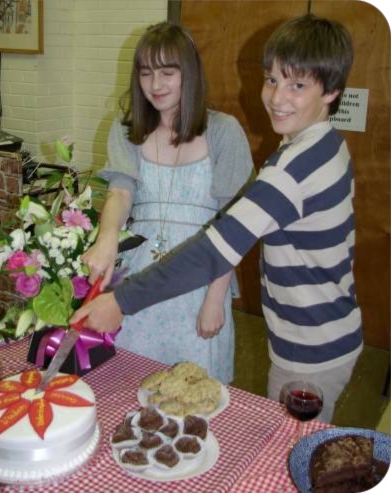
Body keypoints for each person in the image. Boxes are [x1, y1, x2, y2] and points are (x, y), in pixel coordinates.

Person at [72, 13, 362, 423]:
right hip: (314, 331)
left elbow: (214, 249)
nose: (277, 98)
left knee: (290, 444)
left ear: (331, 91)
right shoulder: (322, 145)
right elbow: (122, 192)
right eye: (273, 80)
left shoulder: (292, 167)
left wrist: (120, 301)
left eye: (297, 85)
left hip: (311, 344)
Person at [80, 22, 254, 384]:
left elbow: (233, 224)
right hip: (139, 276)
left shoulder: (224, 131)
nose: (155, 85)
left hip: (201, 277)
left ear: (188, 72)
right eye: (146, 73)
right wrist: (106, 236)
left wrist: (215, 299)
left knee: (192, 390)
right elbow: (121, 193)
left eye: (167, 72)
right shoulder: (128, 129)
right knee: (131, 382)